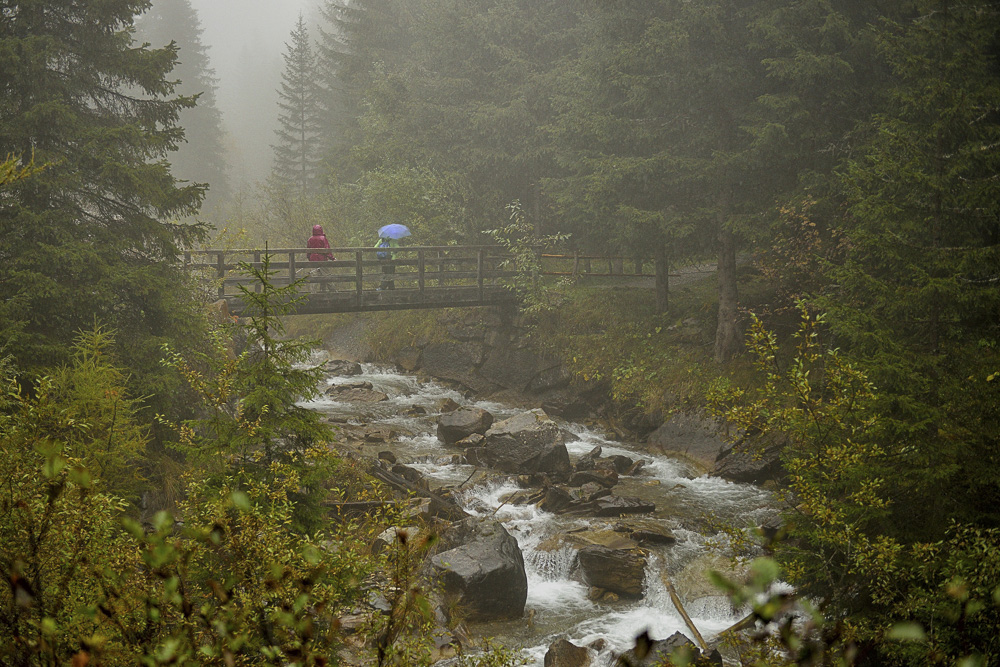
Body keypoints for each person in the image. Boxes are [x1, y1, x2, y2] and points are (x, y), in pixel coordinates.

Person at [307, 224, 334, 291]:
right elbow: (327, 250)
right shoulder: (323, 238)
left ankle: (313, 293)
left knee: (314, 277)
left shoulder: (310, 239)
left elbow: (308, 251)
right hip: (322, 260)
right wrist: (332, 258)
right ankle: (333, 291)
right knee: (327, 275)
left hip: (313, 260)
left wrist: (309, 258)